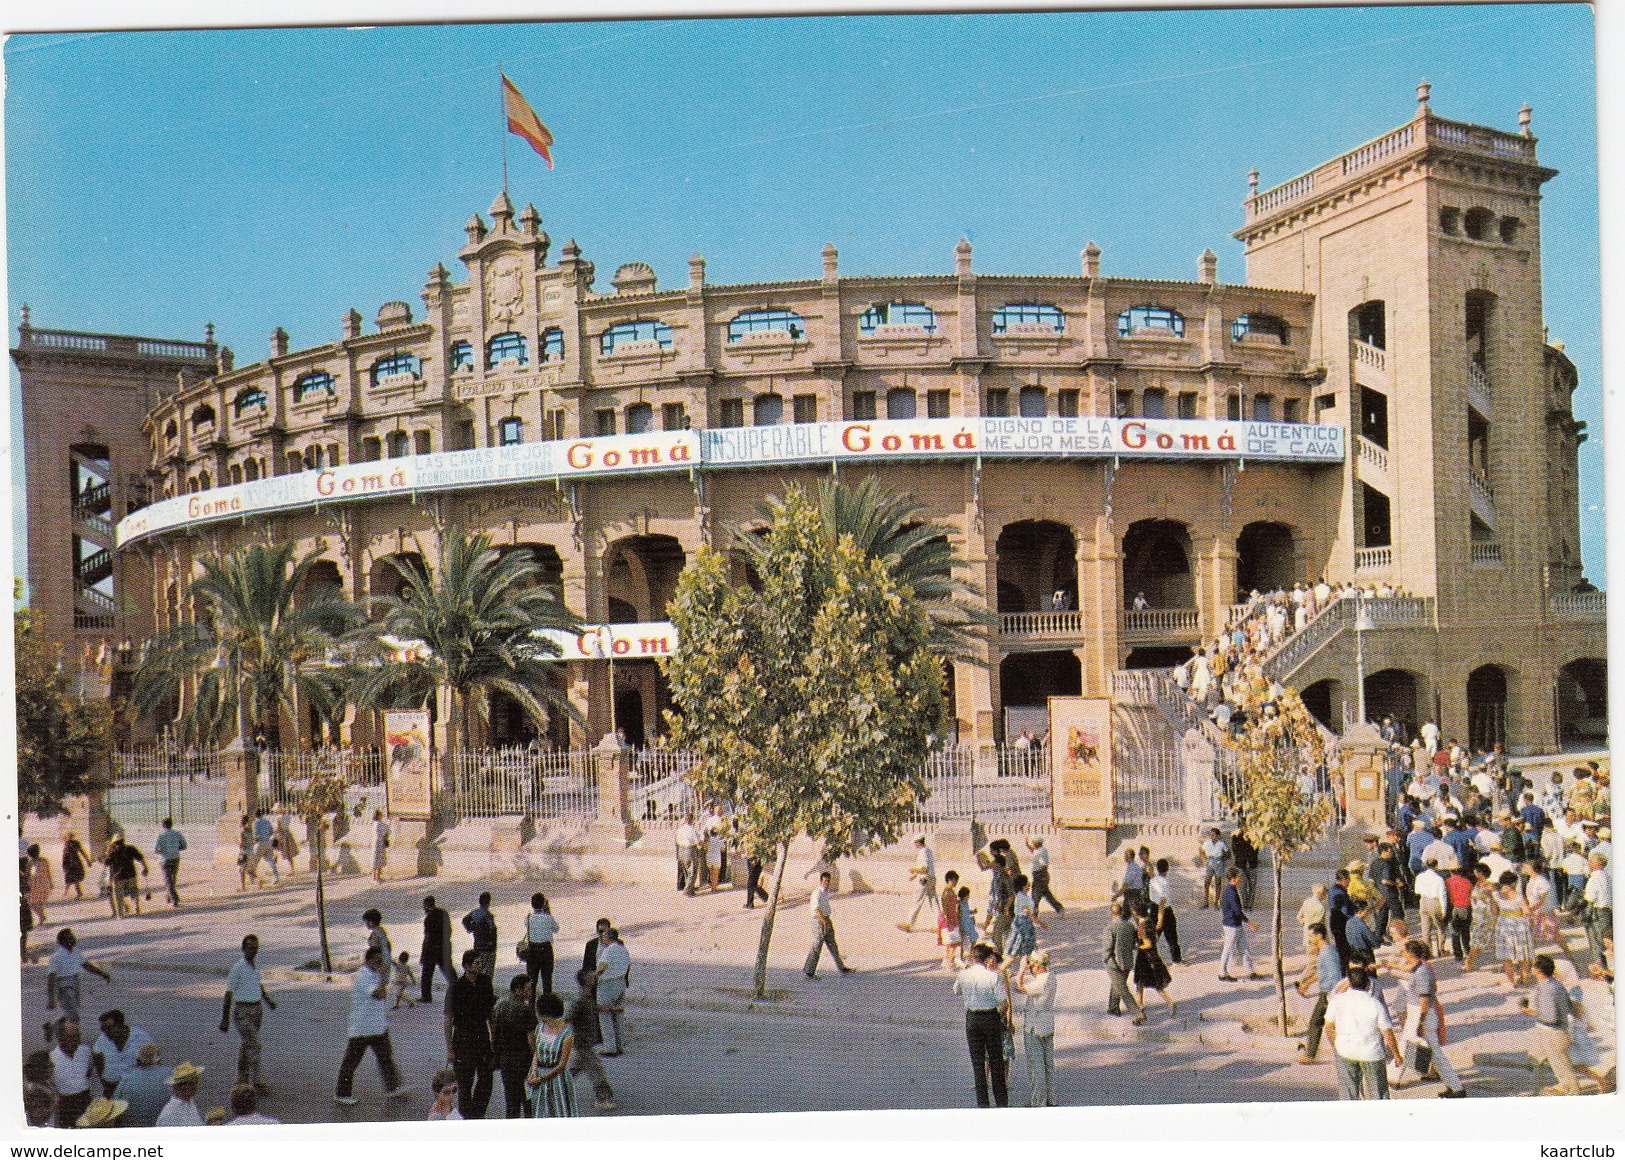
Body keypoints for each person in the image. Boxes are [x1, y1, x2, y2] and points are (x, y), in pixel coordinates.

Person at [1389, 940, 1466, 1097]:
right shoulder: (1418, 968)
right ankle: (1454, 1086)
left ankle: (1456, 1088)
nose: (1402, 955)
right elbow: (1406, 968)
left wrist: (1420, 1023)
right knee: (1427, 1052)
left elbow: (1424, 1001)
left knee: (1421, 1049)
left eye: (1404, 952)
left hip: (1422, 1015)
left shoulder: (1422, 972)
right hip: (1417, 1014)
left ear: (1411, 955)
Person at [335, 945, 407, 1105]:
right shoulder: (363, 976)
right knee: (351, 1062)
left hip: (378, 1027)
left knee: (386, 1058)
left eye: (382, 961)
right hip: (362, 1028)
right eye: (377, 961)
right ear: (368, 961)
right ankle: (342, 1094)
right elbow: (379, 994)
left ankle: (392, 1087)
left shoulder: (374, 974)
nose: (380, 964)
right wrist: (382, 977)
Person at [1324, 964, 1402, 1100]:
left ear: (1348, 983)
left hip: (1345, 1051)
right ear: (1368, 984)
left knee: (1348, 1093)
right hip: (1372, 1053)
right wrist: (1397, 1055)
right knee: (1378, 1093)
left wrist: (1337, 1045)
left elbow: (1329, 1027)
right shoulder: (1375, 1004)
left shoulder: (1336, 1001)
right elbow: (1387, 1033)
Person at [953, 942, 1010, 1107]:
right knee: (996, 1062)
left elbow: (956, 990)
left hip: (972, 1019)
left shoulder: (964, 974)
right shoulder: (993, 976)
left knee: (978, 1063)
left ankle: (983, 1104)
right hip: (990, 1017)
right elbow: (1004, 1003)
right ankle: (1001, 1103)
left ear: (972, 957)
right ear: (986, 959)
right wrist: (1000, 1014)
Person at [219, 933, 275, 1095]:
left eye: (256, 948)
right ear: (243, 949)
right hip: (242, 1011)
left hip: (256, 1010)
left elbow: (258, 985)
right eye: (250, 948)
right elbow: (228, 994)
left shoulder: (254, 967)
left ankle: (241, 1079)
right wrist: (225, 1019)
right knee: (255, 1045)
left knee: (247, 1044)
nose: (253, 951)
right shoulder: (238, 968)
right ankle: (256, 1082)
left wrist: (267, 1000)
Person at [445, 948, 496, 1119]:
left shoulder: (485, 982)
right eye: (476, 963)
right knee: (465, 1083)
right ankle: (467, 1117)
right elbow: (448, 1020)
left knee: (486, 1079)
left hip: (482, 1035)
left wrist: (494, 1039)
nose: (480, 966)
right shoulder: (456, 988)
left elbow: (491, 1014)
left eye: (481, 962)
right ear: (466, 966)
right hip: (463, 1038)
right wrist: (450, 1049)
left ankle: (478, 1114)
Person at [1520, 954, 1580, 1095]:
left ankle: (1574, 1095)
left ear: (1538, 971)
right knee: (1536, 1059)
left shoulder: (1546, 989)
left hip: (1552, 1033)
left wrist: (1530, 1011)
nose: (1531, 967)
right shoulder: (1556, 984)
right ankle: (1536, 1091)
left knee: (1563, 1067)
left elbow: (1550, 1017)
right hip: (1550, 1032)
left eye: (1533, 965)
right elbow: (1569, 1007)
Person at [1010, 950, 1056, 1107]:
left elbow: (1019, 987)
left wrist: (1021, 970)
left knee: (1036, 1066)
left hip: (1034, 1027)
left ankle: (1038, 1101)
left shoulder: (1041, 981)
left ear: (1037, 966)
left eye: (1031, 966)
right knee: (1048, 1065)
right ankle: (1051, 1098)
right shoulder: (1051, 977)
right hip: (1047, 1025)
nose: (1030, 969)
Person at [567, 968, 617, 1112]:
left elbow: (592, 1010)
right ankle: (602, 1099)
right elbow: (568, 1018)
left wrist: (606, 1010)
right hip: (583, 1043)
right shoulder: (580, 999)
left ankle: (554, 1090)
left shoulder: (588, 997)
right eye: (591, 976)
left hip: (586, 1042)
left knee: (574, 1070)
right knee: (597, 1071)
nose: (594, 977)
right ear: (586, 981)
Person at [491, 973, 538, 1119]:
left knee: (511, 1102)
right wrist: (537, 1056)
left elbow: (493, 1031)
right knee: (528, 1100)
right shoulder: (526, 1010)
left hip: (506, 1058)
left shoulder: (500, 1006)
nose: (531, 992)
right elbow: (531, 1038)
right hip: (523, 1059)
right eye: (528, 988)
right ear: (518, 989)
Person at [1296, 923, 1342, 1064]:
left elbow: (1335, 975)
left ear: (1319, 935)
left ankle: (1311, 1055)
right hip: (1327, 993)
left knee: (1316, 1023)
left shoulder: (1327, 952)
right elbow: (1322, 973)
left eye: (1311, 935)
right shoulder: (1323, 951)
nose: (1309, 939)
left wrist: (1330, 995)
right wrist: (1307, 983)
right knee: (1325, 1024)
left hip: (1329, 993)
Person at [526, 992, 577, 1117]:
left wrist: (541, 1079)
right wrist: (533, 1071)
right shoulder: (540, 1027)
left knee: (560, 1112)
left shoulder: (567, 1034)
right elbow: (536, 1052)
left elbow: (562, 1065)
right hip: (539, 1074)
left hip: (557, 1079)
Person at [47, 928, 111, 1025]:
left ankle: (53, 1026)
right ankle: (74, 1036)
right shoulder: (57, 957)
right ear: (63, 941)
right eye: (70, 938)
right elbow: (51, 977)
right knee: (72, 1013)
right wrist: (51, 998)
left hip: (75, 981)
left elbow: (86, 965)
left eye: (73, 937)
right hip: (63, 984)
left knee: (71, 1009)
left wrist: (102, 973)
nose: (73, 939)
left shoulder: (76, 951)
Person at [803, 870, 854, 979]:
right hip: (819, 921)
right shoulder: (817, 893)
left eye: (828, 881)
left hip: (826, 919)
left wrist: (827, 920)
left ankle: (842, 967)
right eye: (825, 881)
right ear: (821, 881)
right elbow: (816, 909)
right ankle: (809, 971)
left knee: (833, 945)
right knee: (816, 946)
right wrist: (823, 921)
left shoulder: (825, 892)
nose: (827, 883)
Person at [91, 1009, 153, 1098]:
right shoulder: (101, 1042)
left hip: (136, 1089)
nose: (105, 1032)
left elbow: (153, 1064)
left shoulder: (142, 1038)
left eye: (109, 1028)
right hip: (111, 1090)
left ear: (121, 1025)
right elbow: (98, 1063)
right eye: (103, 1029)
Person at [50, 1020, 97, 1128]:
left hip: (86, 1100)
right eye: (71, 1037)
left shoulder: (86, 1051)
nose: (76, 1041)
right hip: (66, 1105)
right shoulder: (52, 1058)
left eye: (78, 1036)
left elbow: (89, 1071)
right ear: (59, 1038)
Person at [1103, 900, 1144, 1022]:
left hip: (1114, 963)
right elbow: (1134, 944)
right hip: (1127, 961)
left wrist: (1106, 960)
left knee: (1122, 989)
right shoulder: (1130, 926)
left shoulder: (1110, 928)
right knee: (1117, 984)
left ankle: (1138, 1014)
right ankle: (1113, 1007)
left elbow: (1107, 948)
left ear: (1111, 914)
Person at [1218, 869, 1262, 982]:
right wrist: (1250, 923)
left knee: (1245, 949)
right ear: (1233, 879)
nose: (1240, 879)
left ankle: (1250, 971)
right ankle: (1222, 973)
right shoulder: (1231, 892)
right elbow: (1237, 911)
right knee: (1228, 949)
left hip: (1236, 924)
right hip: (1231, 925)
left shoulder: (1230, 890)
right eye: (1238, 877)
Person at [113, 1042, 169, 1128]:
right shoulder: (170, 1073)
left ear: (138, 1060)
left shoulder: (126, 1079)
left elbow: (114, 1108)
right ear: (158, 1059)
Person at [594, 927, 632, 1055]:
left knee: (605, 1016)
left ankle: (610, 1047)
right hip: (620, 982)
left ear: (609, 937)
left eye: (604, 936)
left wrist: (594, 975)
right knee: (618, 1015)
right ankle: (620, 1045)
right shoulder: (623, 949)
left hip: (607, 984)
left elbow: (603, 966)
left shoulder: (608, 950)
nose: (602, 938)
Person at [1133, 911, 1175, 1018]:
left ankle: (1141, 1007)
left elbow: (1148, 944)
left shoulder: (1143, 927)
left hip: (1146, 959)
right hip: (1152, 957)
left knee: (1147, 983)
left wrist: (1136, 947)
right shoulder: (1150, 922)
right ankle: (1140, 1004)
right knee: (1143, 984)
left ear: (1136, 913)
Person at [420, 895, 456, 1003]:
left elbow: (427, 937)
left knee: (427, 973)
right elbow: (449, 931)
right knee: (449, 970)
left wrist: (423, 954)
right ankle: (459, 991)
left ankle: (426, 996)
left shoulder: (428, 919)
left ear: (426, 906)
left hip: (431, 948)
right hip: (445, 946)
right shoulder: (444, 913)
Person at [522, 893, 560, 995]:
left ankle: (531, 1005)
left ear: (532, 904)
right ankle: (547, 1004)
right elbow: (556, 929)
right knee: (547, 981)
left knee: (531, 981)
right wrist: (548, 912)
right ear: (544, 904)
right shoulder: (549, 917)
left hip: (532, 950)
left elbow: (526, 926)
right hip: (546, 950)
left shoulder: (528, 918)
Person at [899, 836, 938, 932]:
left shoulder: (923, 852)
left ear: (918, 842)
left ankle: (909, 923)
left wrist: (914, 869)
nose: (915, 845)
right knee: (934, 901)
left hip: (924, 879)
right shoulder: (928, 850)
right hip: (931, 878)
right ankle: (940, 924)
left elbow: (924, 868)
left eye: (915, 843)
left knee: (917, 900)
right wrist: (916, 874)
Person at [1004, 873, 1044, 961]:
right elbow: (1028, 913)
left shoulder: (1022, 896)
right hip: (1024, 925)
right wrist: (1041, 924)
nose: (1029, 885)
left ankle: (1021, 972)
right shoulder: (1022, 897)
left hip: (1024, 924)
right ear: (1023, 886)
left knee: (1026, 952)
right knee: (1019, 951)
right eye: (1027, 883)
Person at [1582, 852, 1611, 971]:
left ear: (1597, 864)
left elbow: (1589, 897)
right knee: (1607, 940)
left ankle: (1600, 969)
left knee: (1597, 941)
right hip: (1608, 911)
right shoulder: (1608, 876)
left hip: (1597, 912)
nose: (1589, 863)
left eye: (1590, 861)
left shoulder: (1594, 878)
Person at [1149, 857, 1182, 964]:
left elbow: (1152, 877)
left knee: (1153, 937)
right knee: (1172, 937)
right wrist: (1160, 919)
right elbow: (1162, 902)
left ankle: (1148, 958)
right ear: (1167, 869)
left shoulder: (1153, 880)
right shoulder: (1165, 883)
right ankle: (1176, 960)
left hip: (1153, 909)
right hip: (1164, 911)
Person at [105, 836, 147, 917]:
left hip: (119, 876)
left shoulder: (113, 852)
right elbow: (140, 858)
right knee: (133, 891)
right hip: (131, 874)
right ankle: (137, 909)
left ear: (114, 843)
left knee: (119, 895)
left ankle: (121, 914)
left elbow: (106, 863)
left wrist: (108, 851)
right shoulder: (131, 848)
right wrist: (145, 867)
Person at [155, 1061, 206, 1127]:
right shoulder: (170, 1114)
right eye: (193, 1082)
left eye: (196, 1082)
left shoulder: (190, 1104)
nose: (196, 1085)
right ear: (181, 1086)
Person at [154, 818, 187, 908]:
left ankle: (174, 898)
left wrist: (164, 851)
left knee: (168, 879)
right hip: (175, 858)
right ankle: (169, 895)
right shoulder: (177, 834)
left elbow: (156, 850)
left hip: (165, 859)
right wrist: (175, 849)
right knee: (173, 878)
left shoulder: (160, 835)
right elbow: (184, 846)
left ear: (163, 825)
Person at [1027, 837, 1064, 914]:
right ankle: (1059, 908)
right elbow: (1032, 850)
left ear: (1038, 843)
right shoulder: (1037, 850)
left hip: (1040, 875)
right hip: (1038, 875)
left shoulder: (1042, 852)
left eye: (1034, 843)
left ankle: (1034, 913)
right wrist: (1027, 844)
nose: (1033, 844)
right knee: (1046, 894)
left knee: (1035, 895)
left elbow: (1044, 864)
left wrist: (1041, 875)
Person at [937, 869, 964, 969]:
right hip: (949, 919)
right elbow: (945, 906)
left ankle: (946, 961)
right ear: (950, 880)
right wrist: (948, 920)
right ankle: (949, 963)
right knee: (952, 943)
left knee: (951, 943)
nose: (956, 882)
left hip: (952, 917)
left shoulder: (950, 891)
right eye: (955, 880)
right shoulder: (947, 892)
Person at [463, 891, 498, 961]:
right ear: (488, 902)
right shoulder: (488, 915)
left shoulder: (474, 912)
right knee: (487, 968)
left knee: (479, 965)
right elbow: (492, 931)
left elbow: (464, 920)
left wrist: (470, 929)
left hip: (477, 944)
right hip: (488, 946)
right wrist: (494, 947)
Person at [1297, 883, 1328, 957]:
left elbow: (1299, 917)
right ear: (1322, 894)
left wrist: (1306, 924)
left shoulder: (1306, 902)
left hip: (1307, 935)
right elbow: (1320, 926)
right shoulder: (1321, 907)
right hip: (1317, 938)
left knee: (1310, 958)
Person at [363, 908, 393, 986]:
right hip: (376, 963)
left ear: (371, 922)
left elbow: (385, 947)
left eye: (366, 921)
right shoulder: (377, 932)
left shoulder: (379, 932)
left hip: (378, 963)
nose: (366, 924)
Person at [676, 812, 703, 895]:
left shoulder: (680, 829)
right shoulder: (691, 829)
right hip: (689, 850)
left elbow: (677, 840)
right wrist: (701, 844)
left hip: (681, 850)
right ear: (691, 819)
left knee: (685, 870)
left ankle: (689, 887)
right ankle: (688, 890)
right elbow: (697, 841)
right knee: (692, 870)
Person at [1200, 828, 1228, 908]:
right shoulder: (1207, 843)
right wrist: (1205, 858)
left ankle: (1216, 902)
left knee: (1218, 883)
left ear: (1218, 835)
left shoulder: (1222, 843)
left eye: (1213, 834)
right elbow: (1201, 851)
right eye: (1211, 834)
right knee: (1207, 882)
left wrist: (1222, 860)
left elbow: (1228, 853)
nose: (1211, 836)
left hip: (1218, 861)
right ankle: (1206, 903)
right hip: (1210, 861)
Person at [25, 844, 52, 925]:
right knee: (40, 902)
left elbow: (28, 874)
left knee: (31, 902)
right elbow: (48, 872)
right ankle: (41, 918)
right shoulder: (44, 860)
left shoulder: (31, 863)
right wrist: (51, 882)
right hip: (44, 882)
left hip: (34, 884)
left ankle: (41, 916)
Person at [61, 832, 89, 901]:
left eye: (67, 837)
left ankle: (70, 893)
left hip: (74, 864)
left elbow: (82, 852)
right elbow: (65, 855)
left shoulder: (74, 844)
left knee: (73, 879)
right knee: (70, 879)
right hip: (69, 864)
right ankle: (66, 893)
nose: (65, 838)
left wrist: (87, 860)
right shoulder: (67, 844)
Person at [370, 810, 390, 882]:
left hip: (375, 844)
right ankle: (377, 877)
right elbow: (387, 831)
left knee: (375, 860)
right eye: (381, 815)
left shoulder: (374, 824)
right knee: (379, 860)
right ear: (378, 816)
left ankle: (374, 876)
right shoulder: (380, 824)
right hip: (380, 844)